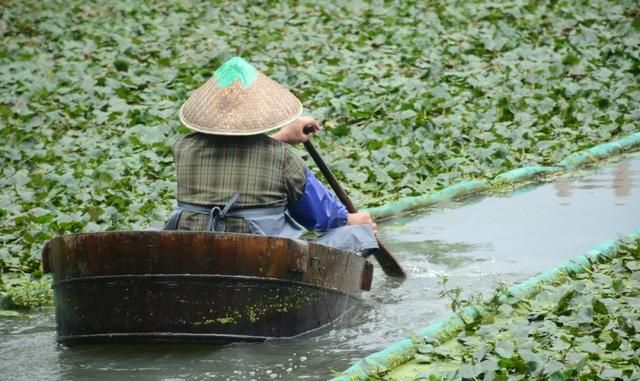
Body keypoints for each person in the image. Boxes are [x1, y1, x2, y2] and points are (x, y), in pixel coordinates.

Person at [164, 56, 378, 253]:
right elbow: (320, 217)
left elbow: (233, 154)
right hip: (263, 261)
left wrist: (282, 136)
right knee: (357, 234)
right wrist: (352, 220)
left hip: (193, 252)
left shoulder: (183, 149)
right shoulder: (283, 157)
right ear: (260, 111)